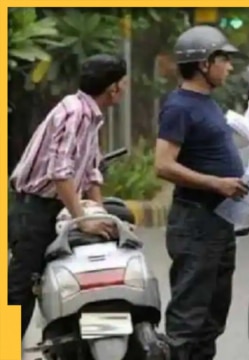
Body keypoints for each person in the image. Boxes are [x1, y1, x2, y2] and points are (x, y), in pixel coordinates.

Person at [8, 54, 128, 338]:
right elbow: (60, 173)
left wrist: (99, 214)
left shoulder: (90, 116)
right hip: (36, 210)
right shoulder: (74, 113)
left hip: (57, 207)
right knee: (20, 290)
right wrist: (83, 220)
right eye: (123, 81)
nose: (125, 87)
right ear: (113, 88)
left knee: (82, 277)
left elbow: (89, 172)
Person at [154, 25, 249, 360]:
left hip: (219, 223)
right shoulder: (180, 106)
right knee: (188, 320)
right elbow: (163, 164)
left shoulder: (207, 104)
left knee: (212, 318)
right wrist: (216, 183)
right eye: (224, 59)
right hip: (195, 223)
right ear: (204, 63)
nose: (230, 67)